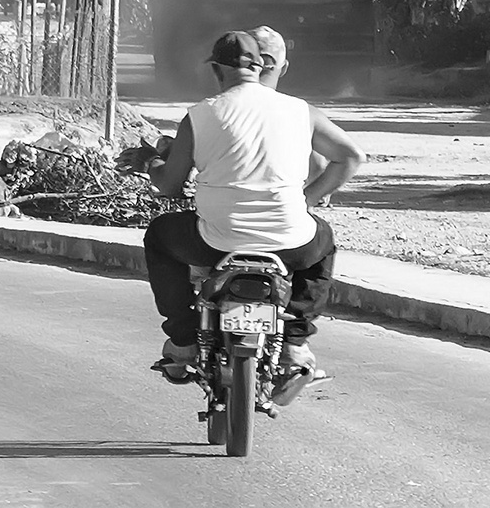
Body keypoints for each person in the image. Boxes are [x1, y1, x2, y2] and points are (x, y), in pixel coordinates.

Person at [138, 30, 365, 388]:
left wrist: (153, 164)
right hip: (290, 242)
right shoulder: (299, 110)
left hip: (216, 242)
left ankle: (183, 342)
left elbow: (169, 186)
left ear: (216, 70)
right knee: (323, 240)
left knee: (159, 236)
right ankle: (294, 343)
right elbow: (351, 157)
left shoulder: (200, 115)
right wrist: (305, 200)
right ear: (262, 68)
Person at [253, 24, 333, 209]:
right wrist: (305, 197)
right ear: (284, 68)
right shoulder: (300, 112)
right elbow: (325, 163)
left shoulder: (214, 110)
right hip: (284, 211)